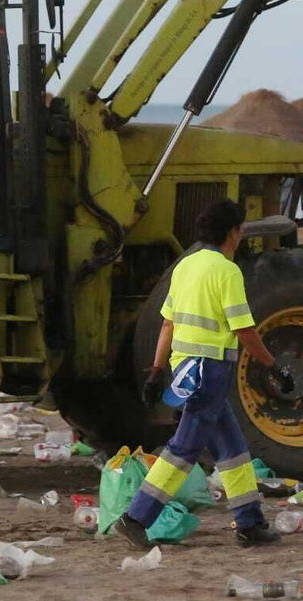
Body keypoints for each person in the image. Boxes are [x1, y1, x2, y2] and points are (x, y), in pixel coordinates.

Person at [117, 198, 288, 548]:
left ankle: (249, 523)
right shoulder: (227, 271)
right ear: (233, 232)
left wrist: (156, 371)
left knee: (232, 449)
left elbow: (168, 323)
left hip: (185, 369)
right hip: (209, 371)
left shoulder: (185, 267)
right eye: (240, 229)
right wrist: (273, 366)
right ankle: (135, 518)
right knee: (184, 448)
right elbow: (244, 330)